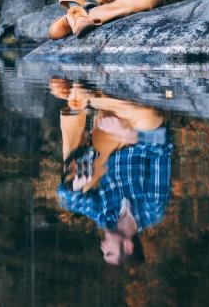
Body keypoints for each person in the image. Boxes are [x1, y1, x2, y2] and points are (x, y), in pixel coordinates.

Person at [50, 78, 172, 265]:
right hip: (136, 130)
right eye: (109, 253)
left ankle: (76, 104)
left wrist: (74, 187)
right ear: (128, 246)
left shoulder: (105, 217)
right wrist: (130, 136)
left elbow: (65, 201)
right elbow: (163, 145)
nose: (102, 248)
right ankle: (84, 97)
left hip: (109, 137)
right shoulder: (152, 208)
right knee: (151, 118)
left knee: (74, 175)